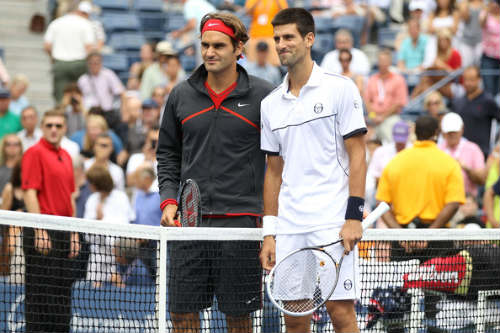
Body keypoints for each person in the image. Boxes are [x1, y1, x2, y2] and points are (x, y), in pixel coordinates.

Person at [157, 12, 273, 333]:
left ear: (239, 48)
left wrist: (271, 223)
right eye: (205, 44)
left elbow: (281, 163)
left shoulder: (264, 96)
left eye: (219, 45)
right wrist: (168, 201)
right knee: (181, 315)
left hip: (241, 225)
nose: (209, 52)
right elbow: (167, 154)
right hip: (190, 225)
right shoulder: (181, 95)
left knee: (238, 318)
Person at [260, 8, 367, 333]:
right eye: (277, 38)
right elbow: (273, 172)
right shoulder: (270, 104)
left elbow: (358, 155)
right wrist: (269, 232)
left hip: (332, 222)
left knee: (341, 313)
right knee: (293, 319)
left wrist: (354, 216)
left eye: (288, 37)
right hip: (290, 226)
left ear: (309, 39)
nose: (281, 44)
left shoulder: (341, 88)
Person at [21, 109, 80, 333]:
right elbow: (29, 192)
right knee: (40, 298)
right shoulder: (34, 153)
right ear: (42, 128)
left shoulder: (66, 156)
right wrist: (39, 230)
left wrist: (75, 234)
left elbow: (69, 198)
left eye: (58, 125)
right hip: (43, 232)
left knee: (62, 296)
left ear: (64, 128)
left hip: (65, 233)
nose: (54, 129)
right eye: (49, 125)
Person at [376, 115, 465, 229]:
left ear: (415, 133)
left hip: (403, 236)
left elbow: (381, 203)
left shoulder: (395, 162)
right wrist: (429, 235)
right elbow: (453, 204)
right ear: (437, 133)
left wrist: (400, 236)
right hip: (438, 237)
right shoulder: (450, 163)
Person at [84, 164, 133, 288]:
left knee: (121, 289)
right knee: (94, 292)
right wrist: (97, 220)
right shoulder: (92, 200)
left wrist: (102, 221)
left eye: (91, 182)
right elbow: (87, 235)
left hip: (117, 256)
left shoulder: (120, 198)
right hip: (96, 256)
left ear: (97, 183)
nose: (89, 185)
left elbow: (125, 226)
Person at [44, 0, 96, 103]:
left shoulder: (56, 23)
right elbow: (89, 48)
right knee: (81, 98)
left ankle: (60, 115)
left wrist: (53, 58)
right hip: (80, 64)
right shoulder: (85, 23)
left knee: (61, 97)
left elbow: (47, 46)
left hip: (60, 63)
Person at [451, 66, 500, 157]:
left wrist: (497, 146)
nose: (468, 83)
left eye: (472, 80)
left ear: (479, 80)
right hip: (460, 154)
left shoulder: (488, 101)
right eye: (465, 80)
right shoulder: (458, 101)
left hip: (481, 153)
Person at [364, 49, 409, 144]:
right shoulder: (372, 79)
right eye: (381, 61)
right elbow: (367, 100)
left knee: (390, 136)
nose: (383, 63)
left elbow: (399, 103)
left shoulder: (398, 79)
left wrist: (383, 117)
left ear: (390, 62)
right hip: (373, 118)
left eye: (385, 61)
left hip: (390, 117)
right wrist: (373, 116)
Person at [438, 112, 486, 197]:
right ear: (443, 132)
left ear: (462, 129)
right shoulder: (437, 150)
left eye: (455, 131)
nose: (452, 134)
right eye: (449, 131)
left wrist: (466, 168)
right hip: (442, 199)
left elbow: (482, 180)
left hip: (466, 202)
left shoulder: (473, 149)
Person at [366, 121, 409, 210]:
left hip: (408, 196)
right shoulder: (382, 151)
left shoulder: (413, 151)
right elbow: (374, 176)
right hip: (384, 196)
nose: (400, 143)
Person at [244, 0, 288, 66]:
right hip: (255, 34)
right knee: (252, 64)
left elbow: (284, 12)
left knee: (273, 64)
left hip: (271, 35)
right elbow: (247, 12)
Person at [479, 0, 500, 98]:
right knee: (489, 89)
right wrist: (487, 9)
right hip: (489, 57)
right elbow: (481, 23)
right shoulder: (485, 14)